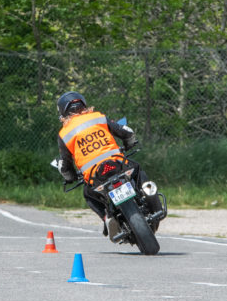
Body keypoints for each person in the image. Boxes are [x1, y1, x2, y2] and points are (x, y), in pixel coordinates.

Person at [55, 91, 156, 239]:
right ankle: (149, 193)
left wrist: (70, 177)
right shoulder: (97, 117)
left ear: (63, 111)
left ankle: (106, 218)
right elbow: (126, 132)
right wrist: (129, 144)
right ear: (83, 104)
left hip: (95, 176)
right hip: (117, 164)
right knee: (137, 168)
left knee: (88, 195)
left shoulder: (64, 134)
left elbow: (65, 163)